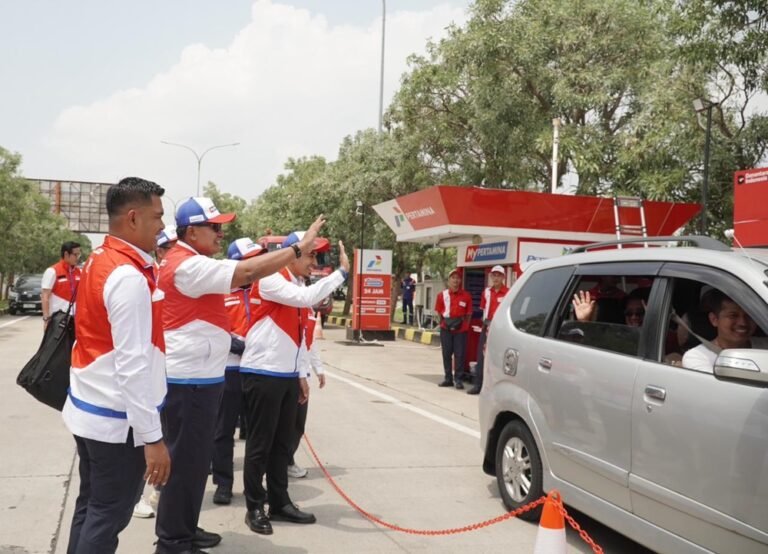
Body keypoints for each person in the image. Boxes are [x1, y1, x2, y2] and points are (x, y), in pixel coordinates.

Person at [155, 199, 326, 554]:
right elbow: (247, 273)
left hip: (202, 379)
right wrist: (295, 248)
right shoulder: (187, 265)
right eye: (214, 227)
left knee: (195, 462)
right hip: (187, 382)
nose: (221, 233)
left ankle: (185, 529)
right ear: (191, 231)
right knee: (185, 464)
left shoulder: (190, 261)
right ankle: (173, 541)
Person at [61, 177, 171, 554]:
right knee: (108, 516)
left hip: (91, 410)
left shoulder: (100, 260)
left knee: (92, 507)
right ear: (133, 218)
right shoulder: (127, 276)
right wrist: (153, 438)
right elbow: (131, 366)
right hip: (117, 422)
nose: (162, 226)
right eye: (157, 217)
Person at [239, 232, 349, 536]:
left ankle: (279, 502)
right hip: (262, 373)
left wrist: (301, 375)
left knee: (281, 445)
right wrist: (341, 273)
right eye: (311, 255)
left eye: (316, 256)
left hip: (286, 376)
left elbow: (301, 336)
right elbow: (305, 299)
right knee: (260, 445)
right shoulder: (272, 277)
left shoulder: (297, 284)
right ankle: (254, 507)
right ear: (293, 253)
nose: (315, 262)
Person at [211, 238, 266, 506]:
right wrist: (234, 342)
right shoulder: (219, 292)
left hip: (257, 369)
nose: (257, 263)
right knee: (223, 431)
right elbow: (212, 327)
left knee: (258, 430)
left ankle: (254, 485)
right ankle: (223, 482)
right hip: (229, 369)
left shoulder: (264, 289)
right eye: (251, 258)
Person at [682, 288, 768, 372]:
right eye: (733, 316)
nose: (743, 323)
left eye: (749, 316)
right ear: (714, 319)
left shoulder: (764, 346)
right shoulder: (698, 357)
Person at [287, 304, 327, 479]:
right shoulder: (290, 308)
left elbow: (311, 344)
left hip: (304, 376)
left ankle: (287, 461)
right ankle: (279, 463)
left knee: (298, 425)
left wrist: (319, 369)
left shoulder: (309, 312)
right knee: (284, 425)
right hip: (289, 374)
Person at [467, 266, 509, 395]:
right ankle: (478, 385)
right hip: (487, 326)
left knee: (498, 358)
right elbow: (483, 310)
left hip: (501, 328)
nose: (496, 278)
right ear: (490, 277)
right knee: (481, 356)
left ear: (503, 277)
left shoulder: (508, 292)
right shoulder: (486, 292)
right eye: (494, 275)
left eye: (499, 275)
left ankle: (495, 389)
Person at [435, 268, 473, 390]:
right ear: (449, 280)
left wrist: (464, 327)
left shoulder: (466, 296)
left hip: (460, 330)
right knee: (446, 354)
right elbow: (439, 312)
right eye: (453, 278)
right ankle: (448, 378)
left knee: (459, 355)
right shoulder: (442, 295)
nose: (455, 280)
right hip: (446, 328)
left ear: (460, 280)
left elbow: (468, 314)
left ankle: (458, 379)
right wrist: (444, 324)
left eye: (458, 278)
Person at [41, 240, 82, 327]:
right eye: (75, 255)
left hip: (76, 321)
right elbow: (45, 297)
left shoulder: (80, 272)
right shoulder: (52, 271)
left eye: (79, 254)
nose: (78, 257)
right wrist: (46, 319)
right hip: (57, 321)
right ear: (66, 254)